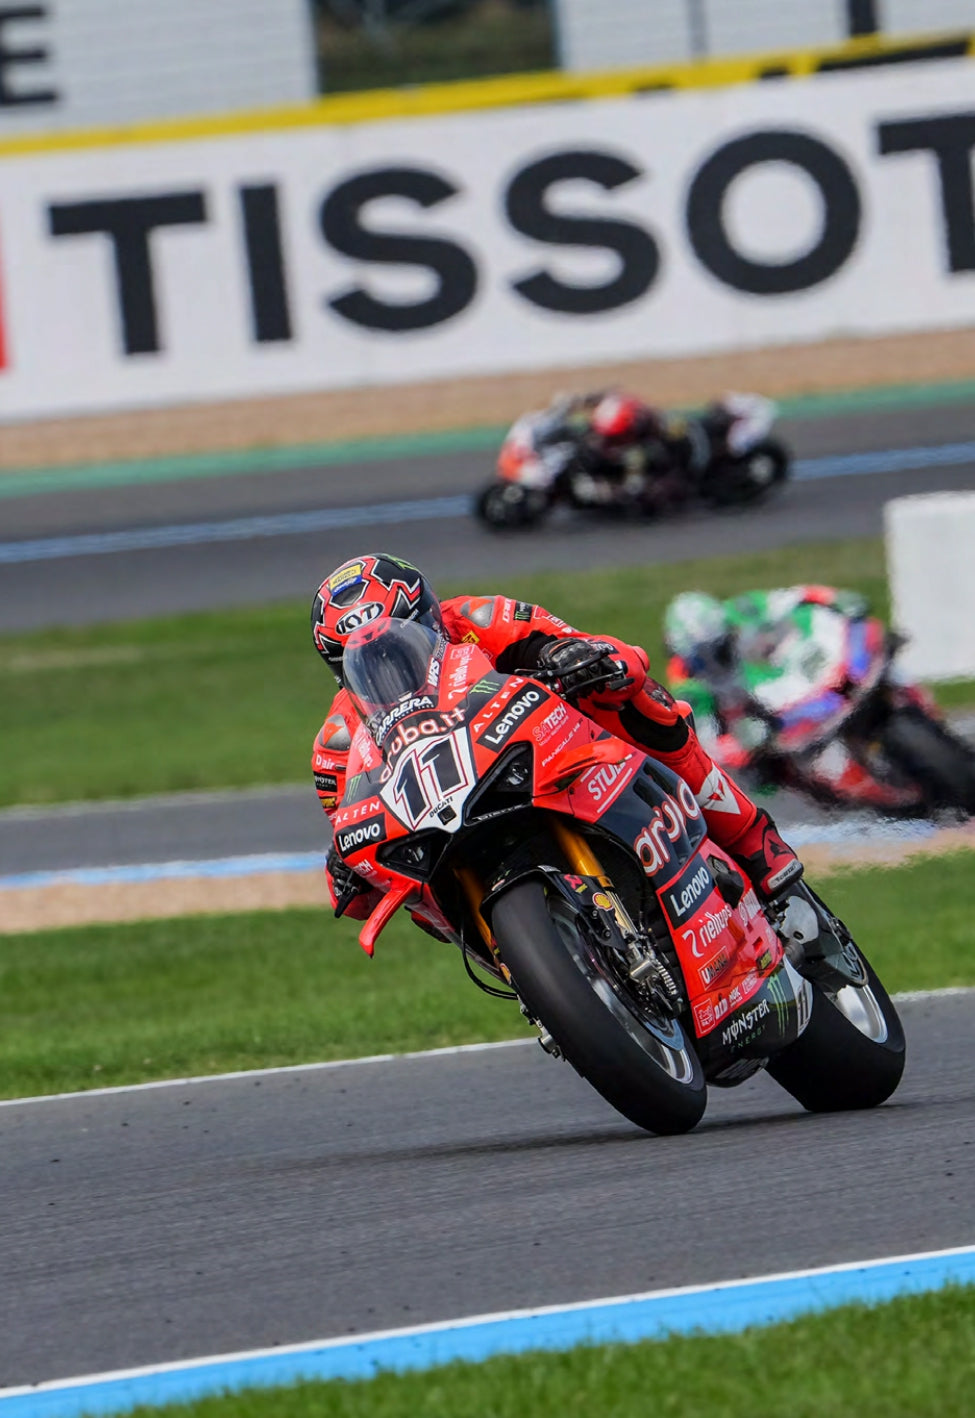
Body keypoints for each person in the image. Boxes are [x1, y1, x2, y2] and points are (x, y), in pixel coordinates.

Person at [311, 553, 803, 921]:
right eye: (363, 659)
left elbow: (607, 654)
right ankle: (536, 972)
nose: (389, 664)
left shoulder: (481, 620)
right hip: (451, 828)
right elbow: (354, 865)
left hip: (545, 760)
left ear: (430, 616)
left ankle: (752, 840)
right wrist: (345, 870)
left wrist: (579, 659)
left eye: (401, 638)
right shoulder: (336, 744)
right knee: (412, 887)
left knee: (633, 697)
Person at [663, 585, 910, 807]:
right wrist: (740, 742)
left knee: (881, 657)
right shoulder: (688, 685)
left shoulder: (740, 609)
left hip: (787, 681)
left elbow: (796, 597)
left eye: (721, 643)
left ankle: (917, 706)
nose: (715, 655)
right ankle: (886, 800)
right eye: (704, 653)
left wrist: (835, 598)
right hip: (761, 722)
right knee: (766, 774)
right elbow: (705, 745)